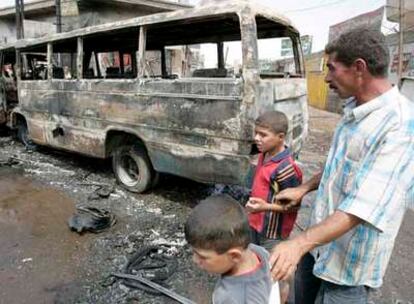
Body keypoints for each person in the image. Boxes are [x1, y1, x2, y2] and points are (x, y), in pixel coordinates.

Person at [269, 27, 414, 304]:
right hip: (317, 250)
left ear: (359, 68)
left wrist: (298, 243)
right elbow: (339, 164)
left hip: (348, 268)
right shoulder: (354, 110)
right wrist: (304, 188)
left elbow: (363, 207)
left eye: (332, 69)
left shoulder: (400, 125)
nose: (326, 78)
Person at [244, 110, 302, 303]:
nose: (256, 138)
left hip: (273, 231)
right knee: (257, 263)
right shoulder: (265, 154)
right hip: (257, 222)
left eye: (263, 135)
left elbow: (293, 207)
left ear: (280, 137)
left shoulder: (286, 169)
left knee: (276, 272)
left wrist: (265, 207)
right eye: (256, 133)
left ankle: (281, 300)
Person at [184, 195, 274, 304]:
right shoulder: (258, 252)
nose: (195, 260)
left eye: (202, 256)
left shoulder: (235, 298)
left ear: (234, 256)